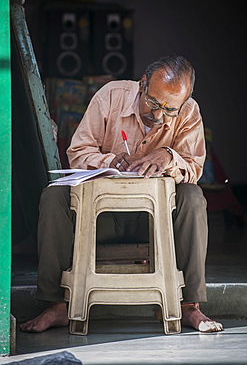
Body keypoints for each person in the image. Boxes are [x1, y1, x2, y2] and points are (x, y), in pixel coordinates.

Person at [20, 55, 223, 334]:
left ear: (183, 102)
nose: (159, 115)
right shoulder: (110, 97)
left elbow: (194, 169)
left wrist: (168, 156)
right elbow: (77, 153)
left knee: (193, 197)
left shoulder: (188, 112)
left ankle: (190, 306)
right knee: (54, 197)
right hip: (100, 218)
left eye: (170, 109)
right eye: (153, 103)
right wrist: (109, 161)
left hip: (155, 221)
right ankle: (56, 305)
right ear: (142, 85)